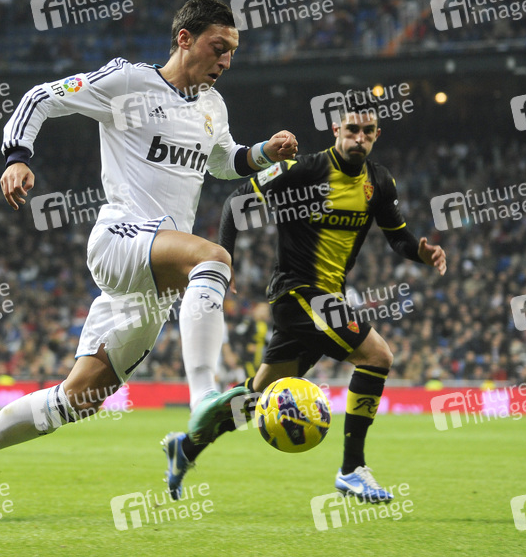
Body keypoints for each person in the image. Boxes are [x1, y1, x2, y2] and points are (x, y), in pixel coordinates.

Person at [0, 0, 298, 517]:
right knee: (213, 258)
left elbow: (223, 162)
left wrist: (263, 153)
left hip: (156, 278)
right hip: (121, 237)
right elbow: (41, 96)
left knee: (78, 399)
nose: (226, 61)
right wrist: (17, 156)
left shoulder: (213, 106)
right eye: (219, 47)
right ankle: (204, 398)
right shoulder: (128, 82)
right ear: (185, 39)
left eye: (232, 51)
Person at [162, 109, 446, 502]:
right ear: (336, 130)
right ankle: (352, 469)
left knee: (255, 397)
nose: (359, 137)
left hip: (327, 298)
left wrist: (420, 251)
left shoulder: (378, 181)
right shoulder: (300, 171)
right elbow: (235, 202)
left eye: (367, 131)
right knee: (377, 356)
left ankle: (187, 447)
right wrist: (223, 261)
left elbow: (397, 236)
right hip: (296, 293)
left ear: (376, 135)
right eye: (352, 129)